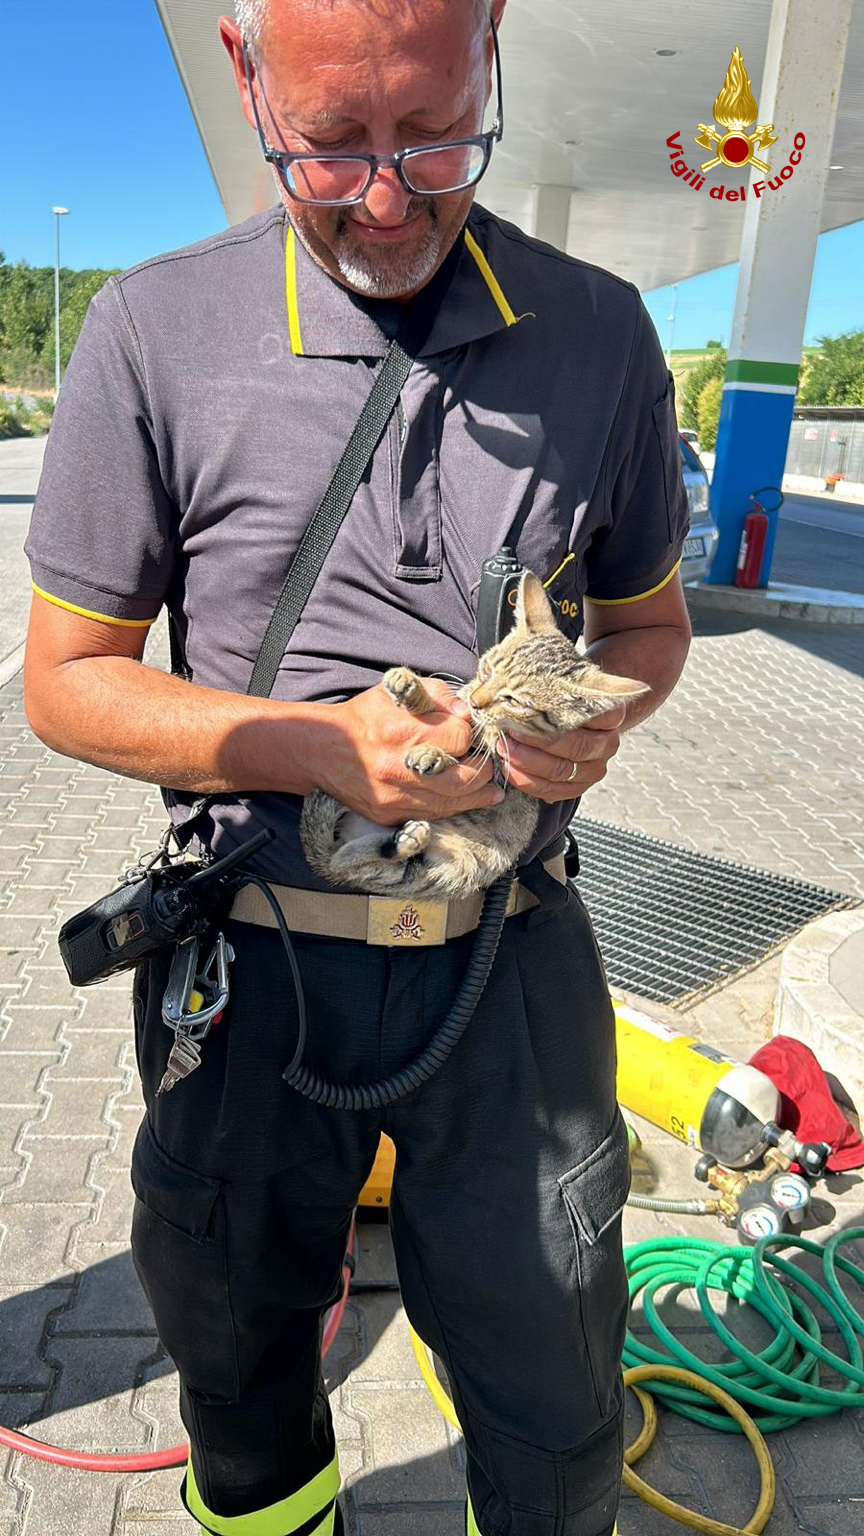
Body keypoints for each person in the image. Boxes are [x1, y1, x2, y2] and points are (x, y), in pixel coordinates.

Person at [22, 1, 691, 1531]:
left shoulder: (600, 336)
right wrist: (317, 748)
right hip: (252, 975)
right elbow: (65, 684)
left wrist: (602, 715)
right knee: (243, 1398)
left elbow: (650, 627)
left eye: (438, 136)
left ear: (494, 46)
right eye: (329, 147)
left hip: (510, 962)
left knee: (558, 1410)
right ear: (247, 77)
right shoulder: (152, 330)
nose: (388, 199)